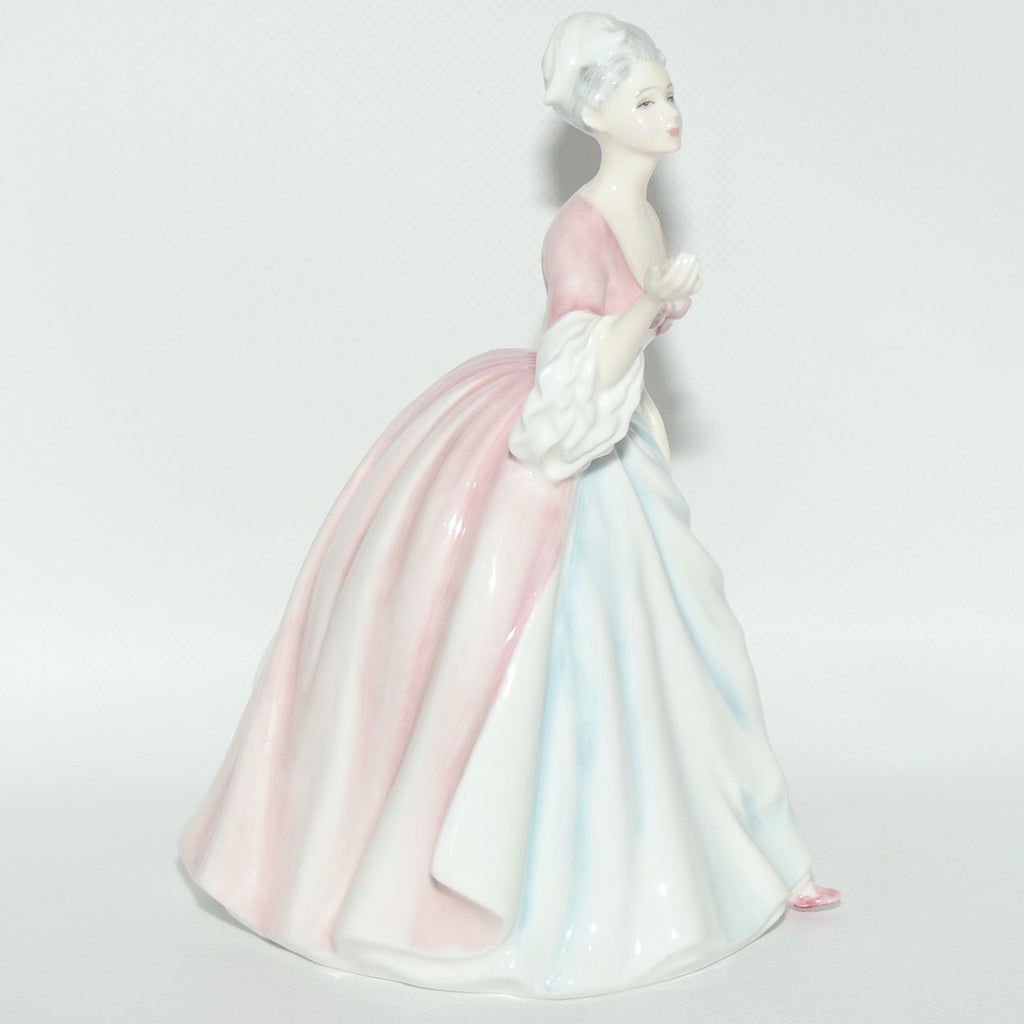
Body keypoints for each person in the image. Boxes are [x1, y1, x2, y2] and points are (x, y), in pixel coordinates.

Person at [180, 12, 839, 998]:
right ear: (597, 116)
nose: (670, 113)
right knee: (555, 662)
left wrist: (653, 421)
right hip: (566, 451)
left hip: (620, 452)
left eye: (669, 93)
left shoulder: (645, 214)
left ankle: (740, 856)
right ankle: (536, 893)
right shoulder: (577, 231)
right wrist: (645, 307)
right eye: (646, 99)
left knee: (694, 650)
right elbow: (567, 385)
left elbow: (630, 371)